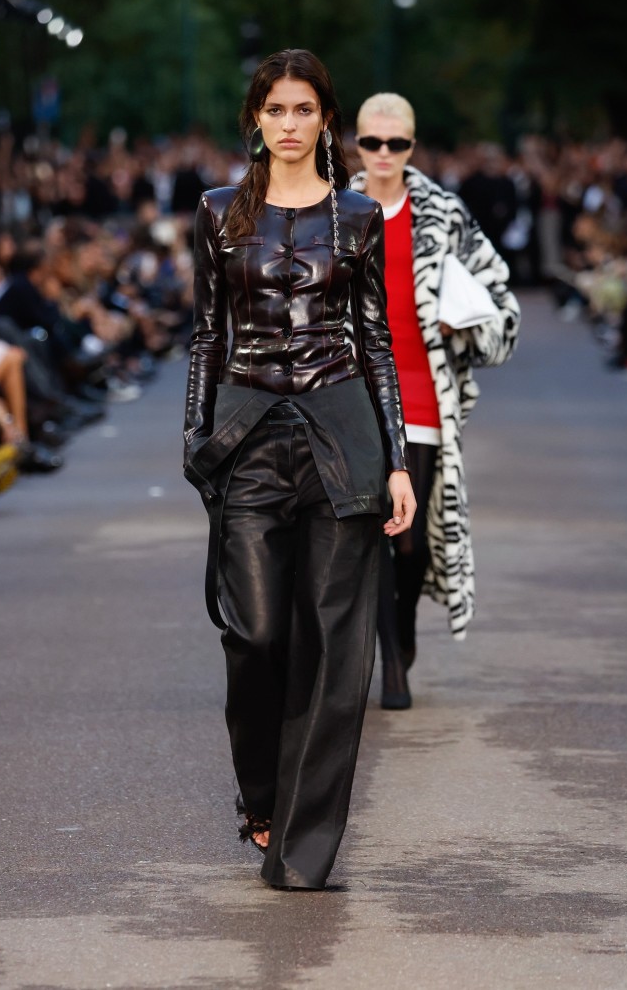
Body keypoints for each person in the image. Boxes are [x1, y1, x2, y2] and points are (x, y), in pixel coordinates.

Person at [183, 51, 415, 891]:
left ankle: (304, 844)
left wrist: (395, 461)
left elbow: (377, 340)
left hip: (341, 436)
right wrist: (193, 441)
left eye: (304, 109)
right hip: (248, 438)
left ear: (325, 120)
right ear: (256, 117)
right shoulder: (216, 213)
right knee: (256, 635)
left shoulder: (358, 217)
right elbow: (207, 333)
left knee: (332, 644)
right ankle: (260, 797)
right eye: (275, 109)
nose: (288, 123)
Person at [353, 93, 520, 709]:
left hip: (422, 393)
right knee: (368, 533)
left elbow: (502, 298)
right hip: (352, 391)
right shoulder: (333, 207)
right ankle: (390, 661)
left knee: (410, 540)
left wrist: (463, 325)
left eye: (397, 143)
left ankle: (403, 633)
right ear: (357, 143)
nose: (385, 154)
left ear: (412, 145)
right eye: (373, 142)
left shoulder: (443, 212)